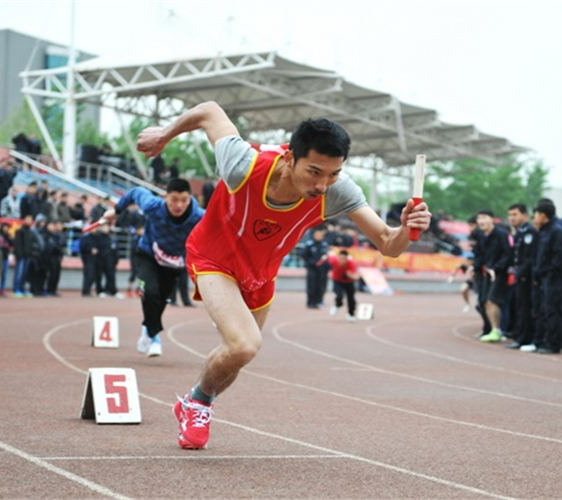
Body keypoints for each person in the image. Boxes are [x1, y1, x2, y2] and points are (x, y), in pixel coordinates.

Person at [134, 101, 430, 450]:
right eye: (314, 172)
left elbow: (387, 243)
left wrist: (408, 229)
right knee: (245, 344)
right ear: (290, 158)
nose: (323, 185)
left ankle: (197, 400)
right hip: (213, 256)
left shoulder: (338, 190)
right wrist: (165, 136)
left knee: (239, 356)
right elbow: (210, 111)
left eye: (333, 174)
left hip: (261, 273)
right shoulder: (241, 163)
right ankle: (198, 404)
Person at [98, 178, 205, 357]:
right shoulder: (153, 205)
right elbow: (135, 192)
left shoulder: (200, 216)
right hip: (148, 254)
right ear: (165, 197)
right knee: (150, 292)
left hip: (173, 263)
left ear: (190, 198)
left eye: (184, 200)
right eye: (174, 199)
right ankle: (154, 336)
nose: (179, 205)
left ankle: (147, 329)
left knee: (161, 301)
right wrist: (116, 210)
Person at [531, 200, 562, 354]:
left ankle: (552, 343)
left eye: (535, 215)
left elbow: (559, 256)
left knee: (552, 309)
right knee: (555, 309)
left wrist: (546, 271)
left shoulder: (556, 230)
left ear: (543, 215)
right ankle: (560, 341)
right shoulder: (548, 228)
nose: (534, 218)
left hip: (556, 276)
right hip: (550, 275)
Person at [476, 209, 512, 343]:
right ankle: (492, 329)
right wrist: (474, 268)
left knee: (492, 300)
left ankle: (497, 330)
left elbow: (508, 254)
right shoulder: (482, 235)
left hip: (499, 274)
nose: (481, 221)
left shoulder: (501, 234)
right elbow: (480, 255)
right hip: (487, 273)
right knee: (485, 301)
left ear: (492, 219)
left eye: (484, 217)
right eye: (479, 218)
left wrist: (496, 269)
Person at [505, 203, 537, 349]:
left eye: (515, 214)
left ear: (525, 215)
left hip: (528, 277)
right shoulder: (519, 232)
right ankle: (520, 335)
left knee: (525, 308)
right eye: (510, 215)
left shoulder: (529, 231)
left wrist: (520, 272)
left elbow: (529, 258)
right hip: (520, 275)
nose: (512, 218)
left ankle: (525, 338)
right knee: (519, 307)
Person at [327, 249, 360, 321]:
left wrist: (351, 276)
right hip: (337, 280)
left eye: (343, 259)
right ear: (338, 257)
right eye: (340, 258)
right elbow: (329, 256)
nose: (342, 261)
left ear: (346, 259)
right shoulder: (333, 260)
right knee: (339, 295)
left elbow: (357, 276)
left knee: (351, 298)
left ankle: (351, 314)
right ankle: (337, 304)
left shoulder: (351, 263)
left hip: (349, 282)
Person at [302, 226, 330, 309]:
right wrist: (310, 262)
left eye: (320, 234)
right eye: (317, 234)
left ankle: (319, 301)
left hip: (322, 269)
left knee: (321, 285)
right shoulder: (309, 245)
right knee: (311, 285)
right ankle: (311, 302)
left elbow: (327, 256)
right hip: (312, 268)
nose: (319, 236)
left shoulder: (324, 245)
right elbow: (304, 255)